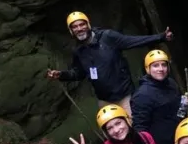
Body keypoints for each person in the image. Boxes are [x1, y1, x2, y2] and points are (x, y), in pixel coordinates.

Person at [46, 11, 174, 114]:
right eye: (75, 27)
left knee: (135, 132)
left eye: (82, 24)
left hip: (125, 97)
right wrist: (62, 75)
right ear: (71, 31)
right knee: (114, 137)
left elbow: (132, 41)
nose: (79, 29)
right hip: (104, 101)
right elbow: (78, 73)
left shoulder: (107, 37)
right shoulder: (79, 51)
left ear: (88, 25)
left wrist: (161, 37)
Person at [131, 49, 188, 144]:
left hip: (179, 138)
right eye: (155, 65)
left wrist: (184, 104)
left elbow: (176, 112)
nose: (161, 69)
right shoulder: (142, 95)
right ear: (148, 69)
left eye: (164, 65)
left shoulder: (171, 83)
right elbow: (140, 128)